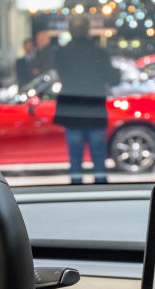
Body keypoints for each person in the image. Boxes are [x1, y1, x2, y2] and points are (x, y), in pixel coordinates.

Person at [54, 16, 118, 184]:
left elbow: (62, 75)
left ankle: (76, 189)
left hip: (72, 111)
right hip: (94, 110)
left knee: (75, 158)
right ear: (88, 30)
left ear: (71, 31)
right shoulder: (98, 52)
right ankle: (101, 188)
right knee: (98, 156)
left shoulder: (62, 53)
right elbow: (113, 78)